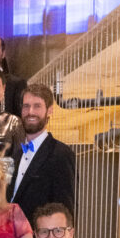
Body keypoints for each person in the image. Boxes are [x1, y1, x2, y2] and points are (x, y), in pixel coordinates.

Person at [7, 83, 76, 223]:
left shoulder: (61, 154)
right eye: (26, 106)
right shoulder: (16, 155)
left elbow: (66, 211)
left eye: (37, 106)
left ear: (49, 110)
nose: (30, 112)